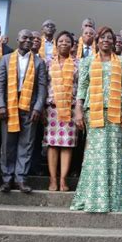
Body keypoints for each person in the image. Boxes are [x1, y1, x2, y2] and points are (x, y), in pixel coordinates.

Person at [71, 26, 122, 213]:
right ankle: (92, 199)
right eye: (102, 38)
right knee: (94, 155)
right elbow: (82, 88)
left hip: (116, 112)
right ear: (97, 41)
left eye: (109, 38)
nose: (106, 40)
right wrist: (78, 110)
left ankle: (115, 201)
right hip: (94, 112)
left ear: (114, 41)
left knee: (114, 154)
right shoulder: (87, 61)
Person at [0, 29, 47, 194]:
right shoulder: (5, 60)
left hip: (29, 107)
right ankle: (7, 179)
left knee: (27, 144)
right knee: (7, 144)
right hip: (9, 105)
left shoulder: (39, 62)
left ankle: (21, 179)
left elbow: (42, 88)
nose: (28, 40)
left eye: (31, 38)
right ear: (17, 39)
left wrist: (38, 108)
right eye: (25, 37)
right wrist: (1, 105)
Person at [43, 31, 79, 191]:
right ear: (56, 44)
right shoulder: (47, 63)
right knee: (52, 144)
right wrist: (42, 107)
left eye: (67, 41)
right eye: (61, 41)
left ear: (72, 45)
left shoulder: (79, 64)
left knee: (67, 145)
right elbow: (42, 86)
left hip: (70, 109)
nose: (64, 43)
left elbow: (81, 88)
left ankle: (63, 179)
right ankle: (53, 180)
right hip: (52, 109)